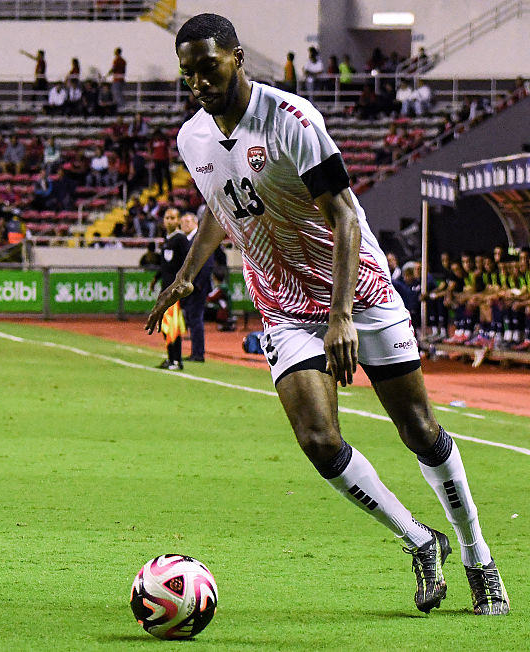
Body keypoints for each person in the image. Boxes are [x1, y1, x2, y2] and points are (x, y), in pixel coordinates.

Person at [147, 13, 508, 616]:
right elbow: (221, 204)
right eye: (188, 74)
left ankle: (478, 555)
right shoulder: (193, 138)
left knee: (418, 429)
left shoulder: (293, 120)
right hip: (284, 304)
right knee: (318, 440)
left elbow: (343, 216)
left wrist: (341, 316)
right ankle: (422, 540)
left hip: (357, 289)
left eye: (209, 67)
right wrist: (187, 273)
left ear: (236, 57)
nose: (199, 83)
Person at [149, 208, 190, 369]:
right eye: (166, 217)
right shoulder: (167, 239)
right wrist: (156, 279)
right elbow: (164, 264)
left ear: (178, 220)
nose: (169, 221)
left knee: (173, 326)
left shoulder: (181, 239)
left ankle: (176, 360)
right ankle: (170, 357)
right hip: (165, 289)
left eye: (172, 218)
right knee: (165, 325)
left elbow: (187, 262)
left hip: (174, 291)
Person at [178, 211, 215, 361]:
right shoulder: (185, 240)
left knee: (196, 318)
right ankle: (195, 351)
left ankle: (198, 353)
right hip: (188, 286)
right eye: (183, 221)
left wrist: (199, 284)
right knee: (191, 318)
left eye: (188, 221)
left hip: (197, 287)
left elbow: (208, 262)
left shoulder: (200, 239)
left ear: (196, 223)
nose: (185, 224)